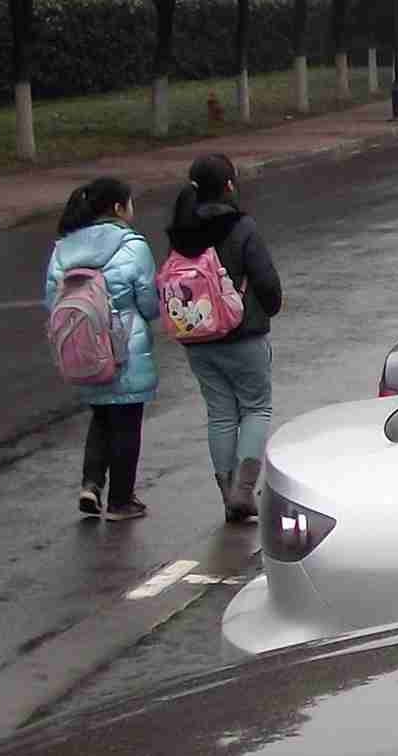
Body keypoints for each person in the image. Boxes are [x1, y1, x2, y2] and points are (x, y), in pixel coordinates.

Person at [165, 154, 283, 523]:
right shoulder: (241, 226)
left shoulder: (180, 229)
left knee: (219, 414)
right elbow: (265, 280)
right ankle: (244, 492)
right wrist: (267, 308)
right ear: (229, 185)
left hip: (197, 335)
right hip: (242, 332)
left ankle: (227, 493)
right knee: (255, 408)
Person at [44, 177, 160, 522]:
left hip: (81, 345)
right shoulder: (133, 245)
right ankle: (121, 501)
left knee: (101, 417)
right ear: (118, 208)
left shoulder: (63, 247)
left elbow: (52, 299)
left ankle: (91, 485)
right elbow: (150, 303)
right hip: (125, 346)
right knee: (127, 422)